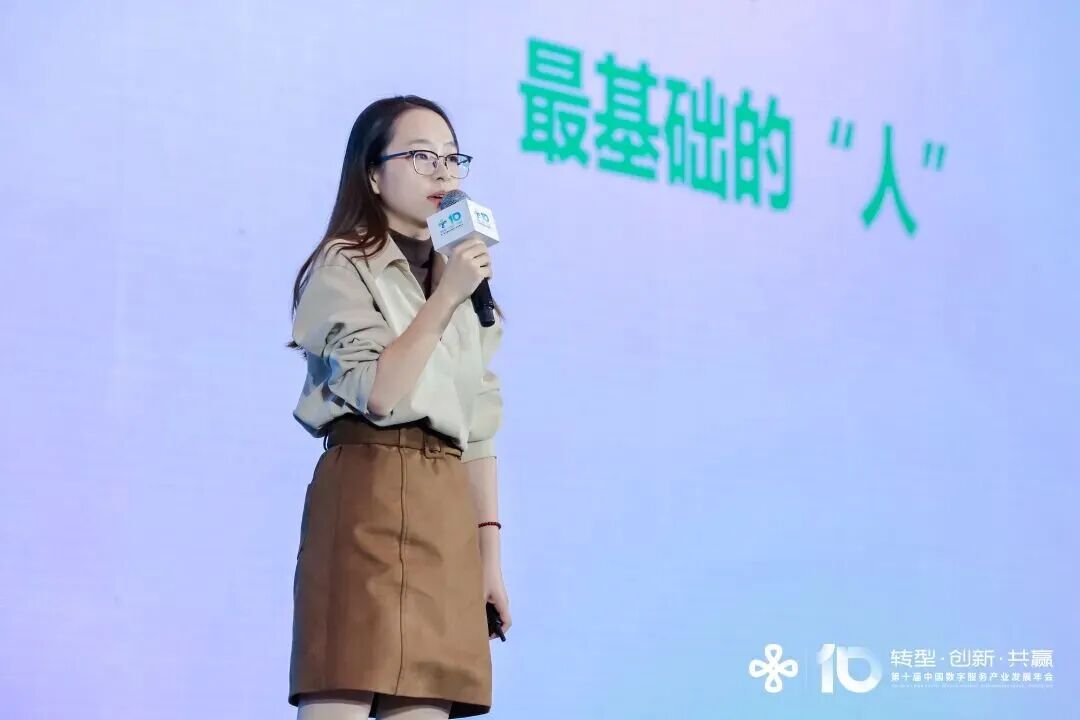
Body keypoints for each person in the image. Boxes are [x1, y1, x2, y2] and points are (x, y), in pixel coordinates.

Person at [286, 95, 511, 719]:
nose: (442, 171)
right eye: (420, 156)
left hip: (445, 509)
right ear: (373, 175)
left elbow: (479, 428)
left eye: (451, 158)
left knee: (426, 702)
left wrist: (489, 561)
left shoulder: (461, 279)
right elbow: (379, 392)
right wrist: (446, 297)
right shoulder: (343, 264)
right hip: (368, 492)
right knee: (344, 686)